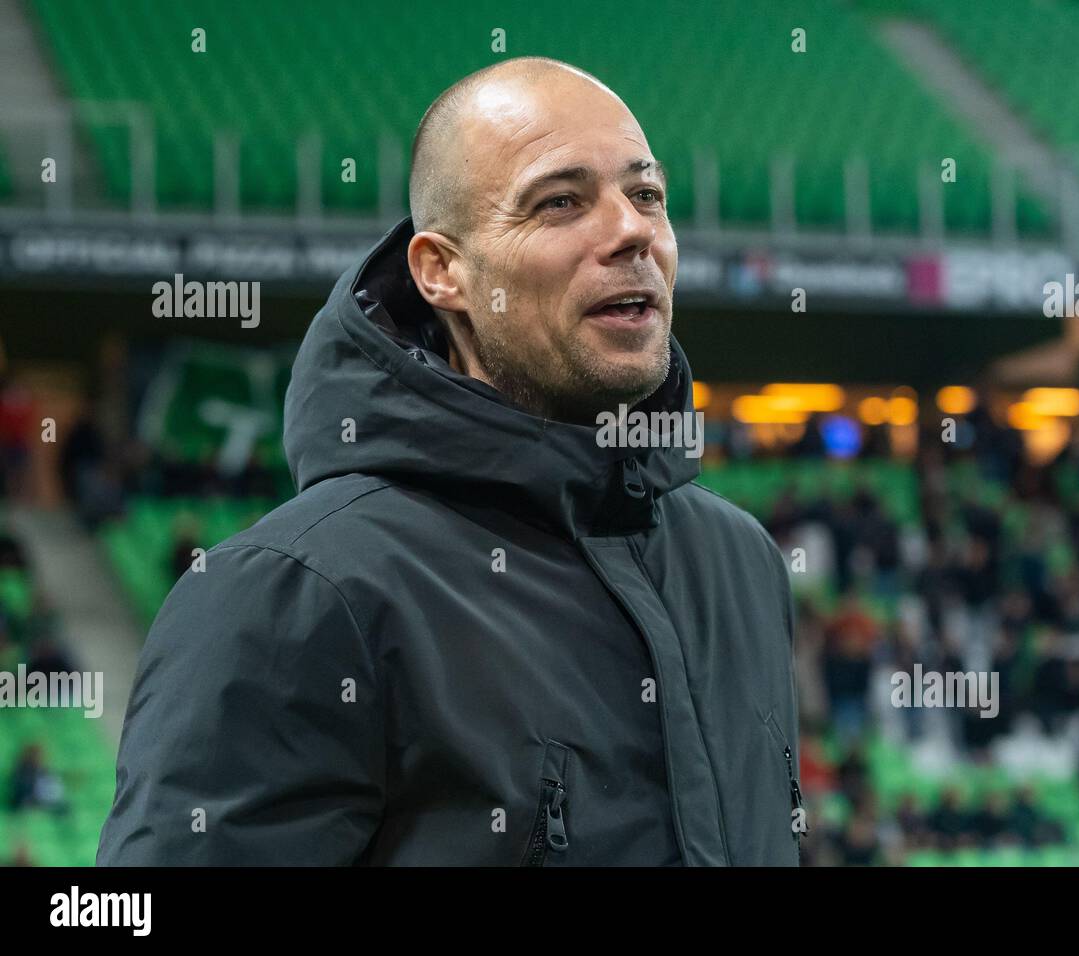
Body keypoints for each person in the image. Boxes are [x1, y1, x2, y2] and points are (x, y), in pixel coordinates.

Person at [97, 57, 801, 866]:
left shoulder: (739, 560)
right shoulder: (294, 593)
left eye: (646, 195)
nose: (632, 230)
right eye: (561, 202)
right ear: (442, 272)